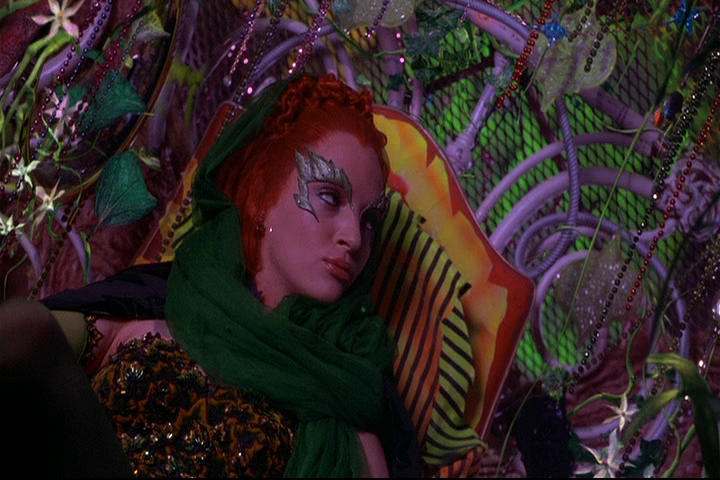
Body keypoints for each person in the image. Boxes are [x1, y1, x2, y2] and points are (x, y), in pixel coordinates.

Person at [0, 74, 421, 477]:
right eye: (330, 197)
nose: (354, 237)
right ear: (263, 194)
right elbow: (30, 340)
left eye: (369, 220)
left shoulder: (345, 395)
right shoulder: (157, 301)